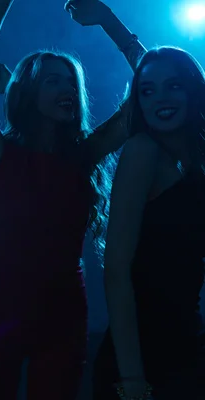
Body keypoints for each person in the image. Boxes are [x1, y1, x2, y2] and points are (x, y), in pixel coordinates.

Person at [0, 0, 145, 398]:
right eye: (52, 81)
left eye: (69, 82)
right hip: (0, 302)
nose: (66, 88)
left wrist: (108, 21)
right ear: (27, 92)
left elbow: (150, 88)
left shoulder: (84, 154)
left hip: (63, 305)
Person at [93, 46, 205, 400]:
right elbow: (115, 272)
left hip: (187, 339)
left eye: (173, 86)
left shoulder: (196, 160)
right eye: (147, 90)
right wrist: (132, 380)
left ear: (192, 90)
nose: (160, 98)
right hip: (141, 353)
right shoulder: (143, 149)